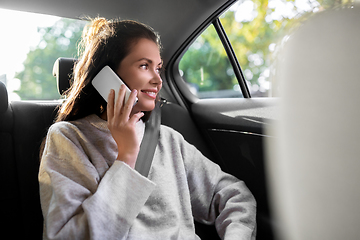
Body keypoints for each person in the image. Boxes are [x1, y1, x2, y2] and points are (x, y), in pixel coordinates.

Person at [39, 17, 256, 240]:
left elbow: (234, 194)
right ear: (108, 75)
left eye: (158, 68)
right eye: (144, 65)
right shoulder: (69, 138)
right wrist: (127, 156)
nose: (157, 80)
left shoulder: (167, 140)